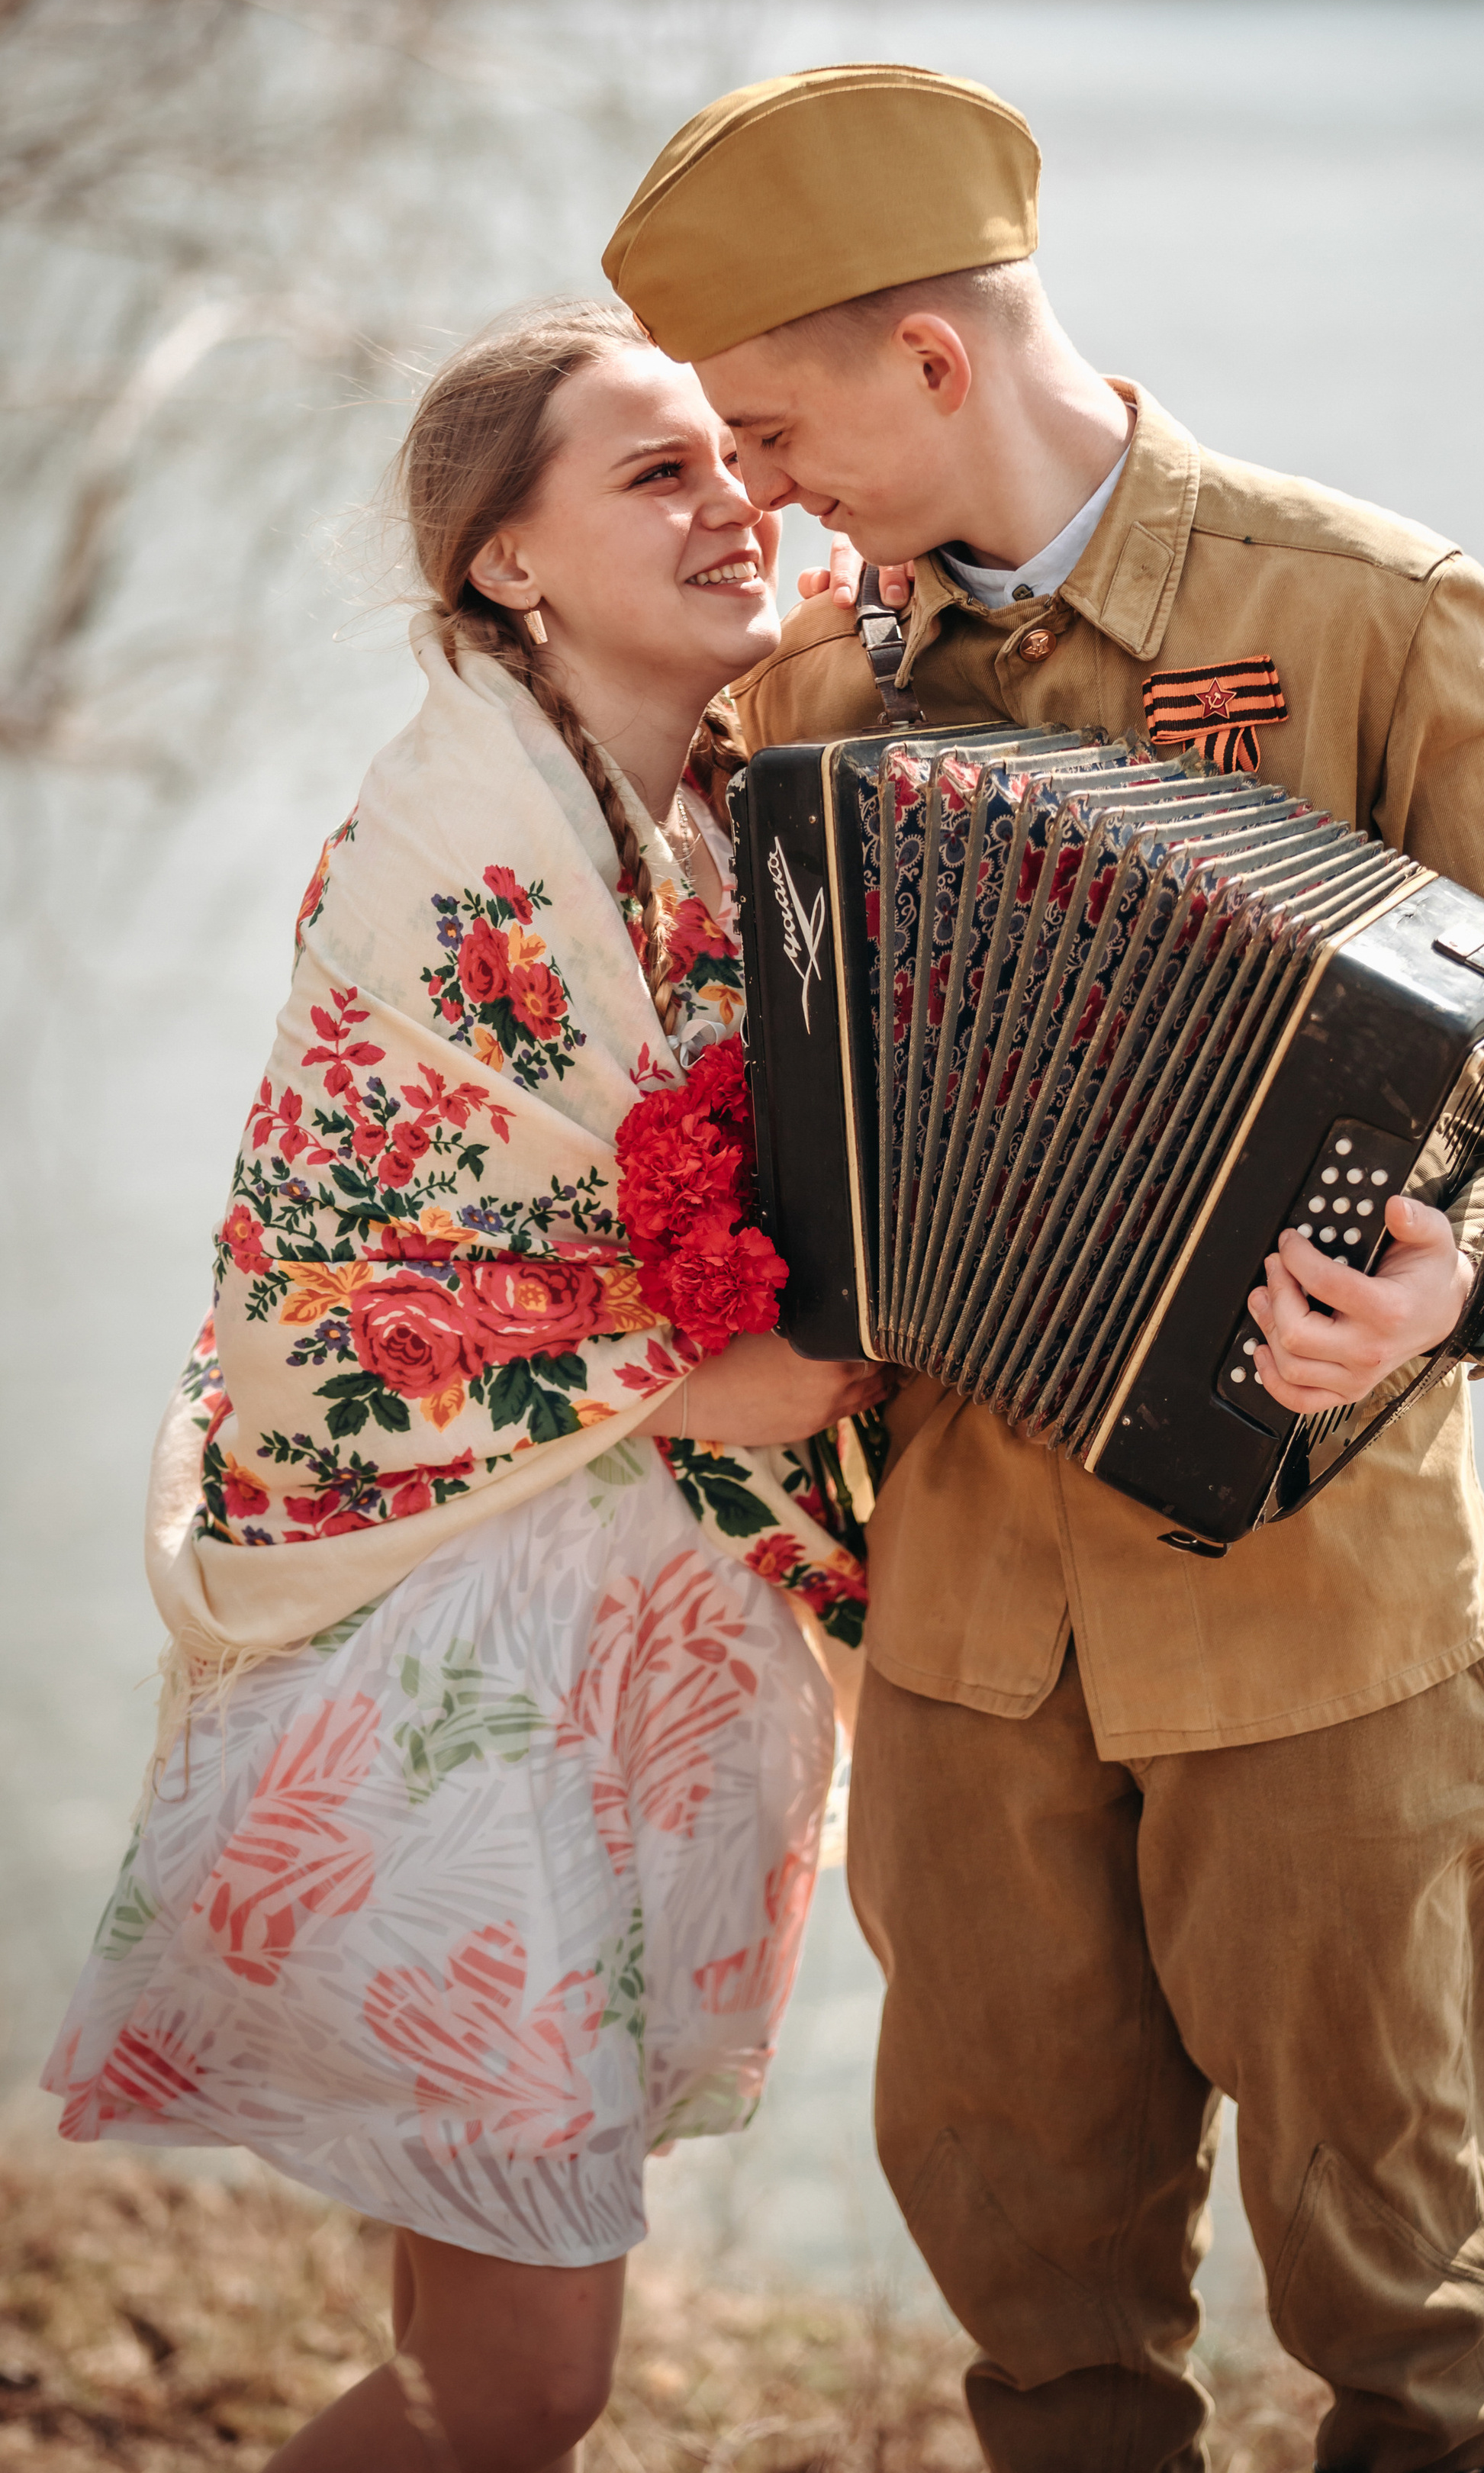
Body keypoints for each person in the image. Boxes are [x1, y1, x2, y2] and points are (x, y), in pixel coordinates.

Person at [599, 66, 1484, 2473]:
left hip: (1327, 1626)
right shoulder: (812, 695)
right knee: (1049, 2341)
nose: (759, 496)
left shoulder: (1377, 612)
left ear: (931, 359)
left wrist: (1465, 1272)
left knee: (1408, 2335)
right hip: (967, 1646)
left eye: (776, 430)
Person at [43, 301, 887, 2473]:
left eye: (734, 458)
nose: (733, 504)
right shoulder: (457, 853)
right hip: (458, 1681)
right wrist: (762, 1359)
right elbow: (392, 1272)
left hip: (615, 1671)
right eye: (656, 472)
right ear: (509, 565)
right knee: (526, 2387)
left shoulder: (714, 810)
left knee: (468, 2383)